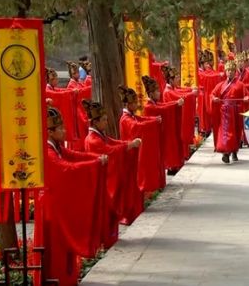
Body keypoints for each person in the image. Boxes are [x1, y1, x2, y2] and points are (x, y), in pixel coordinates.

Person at [40, 107, 108, 286]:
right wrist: (94, 164)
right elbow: (67, 169)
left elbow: (76, 156)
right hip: (52, 209)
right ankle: (58, 279)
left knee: (64, 247)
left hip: (59, 206)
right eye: (60, 128)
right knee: (57, 247)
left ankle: (67, 278)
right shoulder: (49, 153)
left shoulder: (58, 148)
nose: (64, 131)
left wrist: (95, 159)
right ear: (50, 132)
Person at [83, 100, 142, 246]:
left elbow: (113, 142)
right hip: (102, 181)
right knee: (106, 210)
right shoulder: (93, 140)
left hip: (105, 178)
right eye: (103, 120)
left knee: (110, 210)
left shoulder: (100, 136)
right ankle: (105, 240)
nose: (106, 123)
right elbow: (111, 151)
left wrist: (128, 144)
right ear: (95, 122)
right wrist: (129, 145)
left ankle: (110, 238)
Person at [119, 86, 166, 193]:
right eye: (134, 103)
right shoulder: (126, 118)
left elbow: (142, 119)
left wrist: (153, 119)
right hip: (130, 152)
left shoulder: (131, 115)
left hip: (135, 150)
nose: (137, 105)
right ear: (127, 104)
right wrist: (153, 122)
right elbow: (137, 126)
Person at [142, 75, 185, 174]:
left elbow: (163, 105)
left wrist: (175, 103)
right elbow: (162, 108)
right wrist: (176, 104)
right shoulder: (149, 106)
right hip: (152, 138)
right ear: (151, 94)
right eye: (157, 91)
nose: (159, 93)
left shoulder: (154, 103)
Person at [211, 60, 248, 163]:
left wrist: (246, 99)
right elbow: (213, 94)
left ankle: (234, 151)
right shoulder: (221, 85)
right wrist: (214, 99)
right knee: (225, 133)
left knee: (235, 132)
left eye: (231, 70)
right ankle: (226, 153)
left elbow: (246, 95)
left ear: (234, 71)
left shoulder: (240, 85)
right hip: (224, 112)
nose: (230, 72)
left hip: (235, 111)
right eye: (228, 70)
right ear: (225, 71)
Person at [161, 65, 198, 159]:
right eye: (176, 78)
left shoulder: (172, 89)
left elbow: (181, 92)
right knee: (174, 143)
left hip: (176, 120)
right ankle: (174, 164)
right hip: (172, 122)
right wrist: (191, 94)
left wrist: (190, 91)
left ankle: (179, 160)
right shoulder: (167, 91)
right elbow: (180, 96)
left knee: (178, 142)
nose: (178, 79)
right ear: (170, 80)